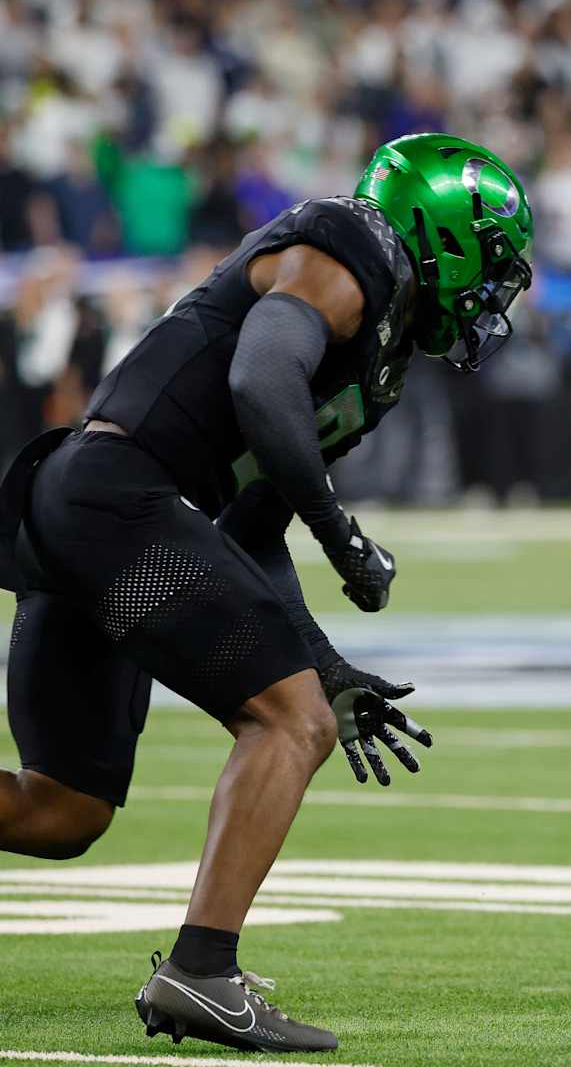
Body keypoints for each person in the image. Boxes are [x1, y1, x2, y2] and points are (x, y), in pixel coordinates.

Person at [0, 133, 534, 1052]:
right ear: (441, 235)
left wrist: (323, 662)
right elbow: (260, 377)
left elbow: (250, 525)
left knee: (59, 810)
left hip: (94, 507)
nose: (491, 293)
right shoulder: (352, 249)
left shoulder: (376, 344)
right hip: (125, 496)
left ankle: (202, 971)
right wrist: (342, 533)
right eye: (488, 264)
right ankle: (202, 972)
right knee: (291, 724)